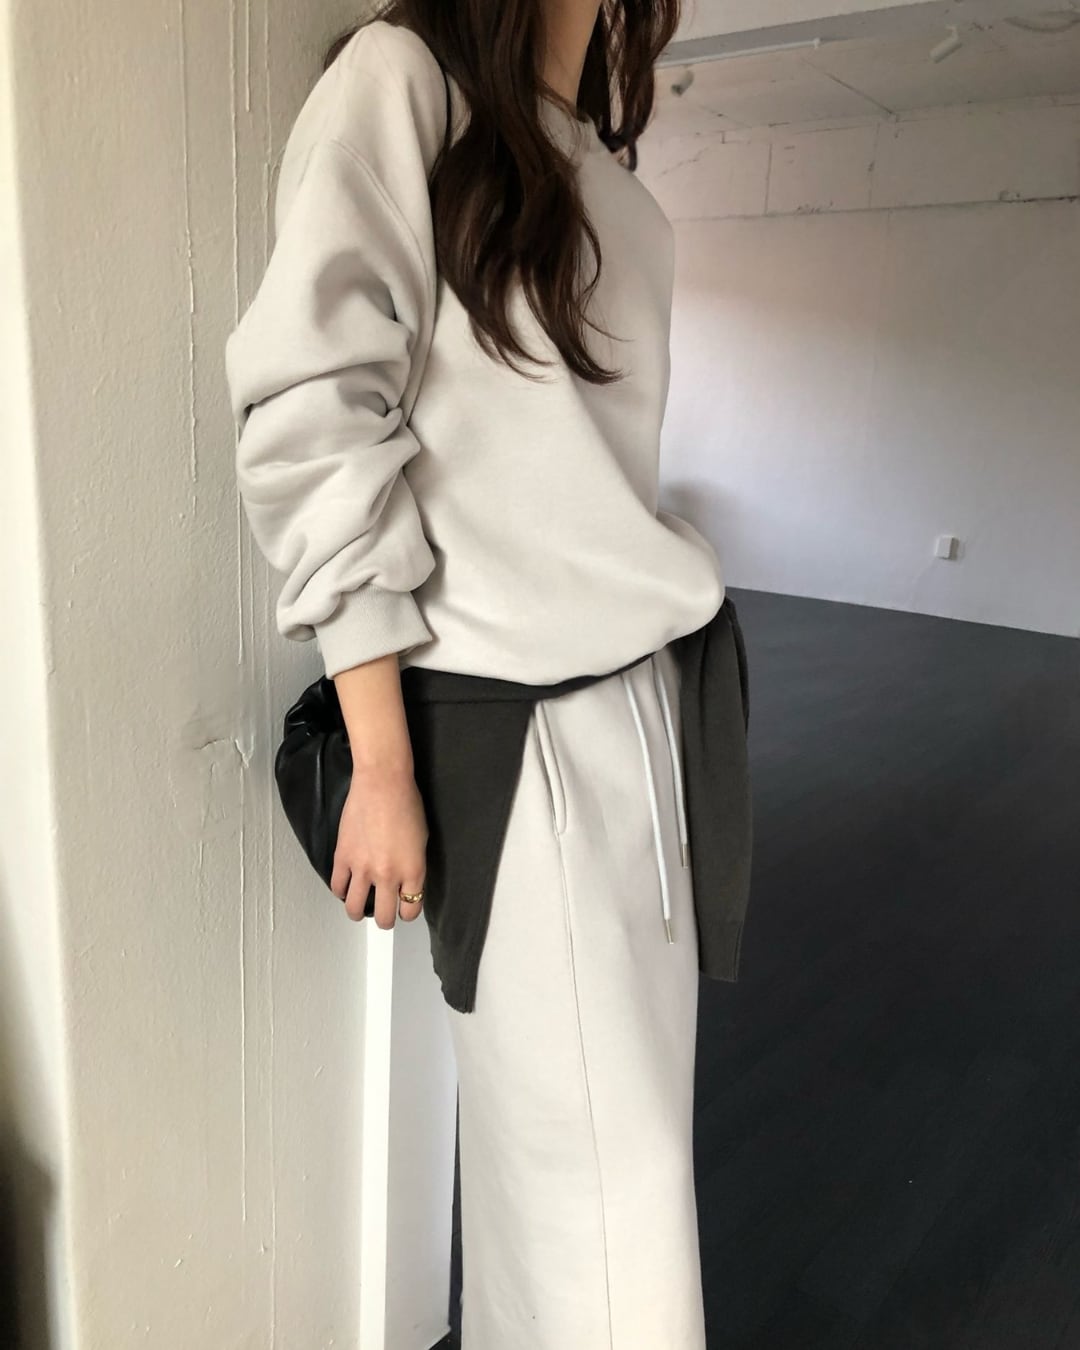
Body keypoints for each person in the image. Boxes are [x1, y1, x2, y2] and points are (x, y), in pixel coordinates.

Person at [225, 2, 731, 1345]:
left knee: (580, 1190)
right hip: (520, 740)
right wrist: (380, 760)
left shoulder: (598, 167)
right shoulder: (405, 87)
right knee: (609, 1222)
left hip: (647, 712)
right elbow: (313, 418)